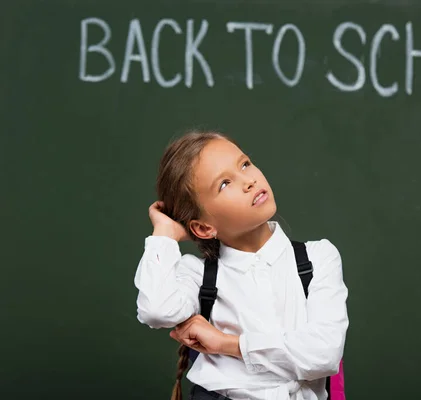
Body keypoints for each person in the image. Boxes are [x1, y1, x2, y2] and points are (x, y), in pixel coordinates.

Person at [134, 131, 349, 400]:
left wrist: (226, 343)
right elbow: (156, 311)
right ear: (202, 227)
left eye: (244, 164)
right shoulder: (198, 274)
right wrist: (164, 234)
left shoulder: (317, 258)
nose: (249, 180)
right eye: (224, 184)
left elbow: (323, 354)